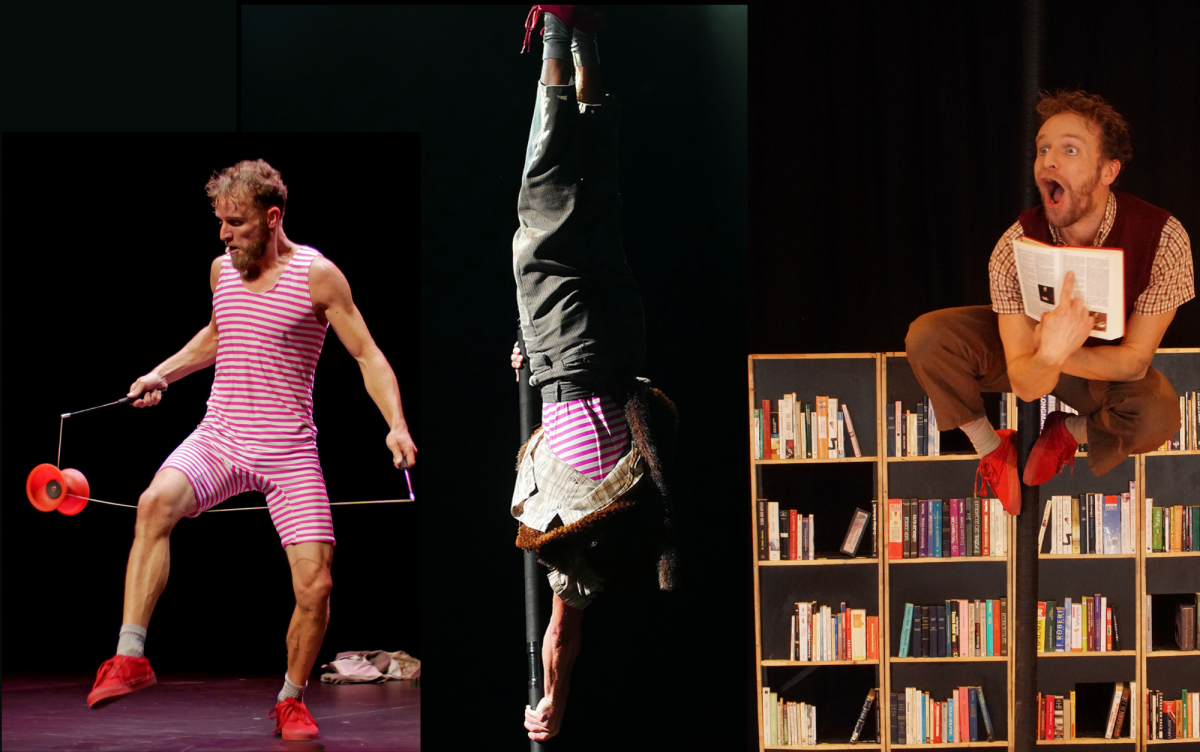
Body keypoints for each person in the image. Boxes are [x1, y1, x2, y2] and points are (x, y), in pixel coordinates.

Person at [85, 159, 418, 743]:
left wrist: (395, 423)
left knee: (316, 587)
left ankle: (291, 699)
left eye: (235, 222)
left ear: (272, 217)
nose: (223, 233)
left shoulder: (319, 276)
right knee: (153, 503)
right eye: (219, 222)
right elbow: (219, 333)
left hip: (289, 451)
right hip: (221, 435)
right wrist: (163, 373)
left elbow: (366, 355)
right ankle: (130, 655)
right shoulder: (222, 271)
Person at [510, 6, 678, 741]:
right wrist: (552, 704)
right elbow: (559, 645)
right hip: (573, 360)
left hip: (619, 350)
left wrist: (557, 705)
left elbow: (563, 645)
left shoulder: (621, 524)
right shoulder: (571, 550)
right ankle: (555, 32)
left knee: (599, 200)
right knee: (544, 211)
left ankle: (586, 44)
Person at [906, 90, 1192, 516]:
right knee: (929, 336)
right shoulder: (1013, 245)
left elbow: (1133, 361)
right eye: (1043, 149)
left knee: (1158, 416)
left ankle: (1068, 431)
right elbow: (1024, 380)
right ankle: (992, 450)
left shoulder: (1164, 239)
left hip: (1102, 368)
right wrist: (1047, 351)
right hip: (1028, 354)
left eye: (1069, 149)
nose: (1048, 161)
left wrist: (1059, 353)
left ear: (1108, 170)